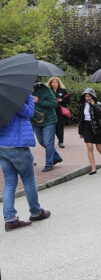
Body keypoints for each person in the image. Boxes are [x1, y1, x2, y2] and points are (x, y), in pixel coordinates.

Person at [1, 94, 52, 232]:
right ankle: (36, 212)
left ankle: (10, 219)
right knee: (29, 180)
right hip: (18, 146)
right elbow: (29, 112)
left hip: (2, 146)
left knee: (10, 183)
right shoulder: (15, 97)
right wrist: (29, 98)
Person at [31, 83, 63, 172]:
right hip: (35, 121)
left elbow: (54, 104)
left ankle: (49, 164)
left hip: (49, 120)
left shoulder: (46, 90)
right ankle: (56, 157)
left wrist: (39, 101)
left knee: (48, 142)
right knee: (42, 142)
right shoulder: (26, 91)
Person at [78, 88, 101, 175]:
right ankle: (93, 168)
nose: (87, 97)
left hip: (97, 127)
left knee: (99, 148)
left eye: (89, 96)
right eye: (86, 96)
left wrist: (94, 105)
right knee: (89, 147)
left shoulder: (98, 104)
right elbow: (80, 119)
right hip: (86, 127)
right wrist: (80, 132)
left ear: (93, 96)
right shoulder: (82, 105)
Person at [47, 77, 70, 148]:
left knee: (60, 126)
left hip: (60, 112)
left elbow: (68, 101)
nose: (55, 84)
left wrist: (62, 100)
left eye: (56, 82)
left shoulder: (63, 91)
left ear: (58, 83)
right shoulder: (48, 91)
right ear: (50, 83)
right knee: (54, 127)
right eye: (53, 82)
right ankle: (57, 139)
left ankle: (61, 142)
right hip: (51, 111)